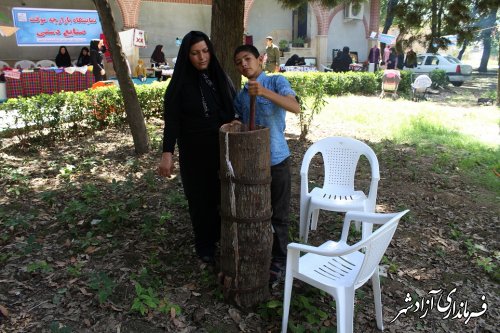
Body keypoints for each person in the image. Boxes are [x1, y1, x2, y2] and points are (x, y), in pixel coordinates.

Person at [157, 31, 236, 264]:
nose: (202, 57)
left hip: (222, 147)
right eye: (195, 53)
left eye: (205, 51)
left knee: (220, 193)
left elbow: (231, 108)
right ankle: (205, 244)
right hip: (194, 150)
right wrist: (167, 154)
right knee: (199, 197)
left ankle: (223, 235)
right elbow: (173, 122)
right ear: (186, 55)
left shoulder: (217, 77)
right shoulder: (179, 84)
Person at [232, 44, 300, 283]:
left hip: (277, 159)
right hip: (251, 166)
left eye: (248, 59)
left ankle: (279, 261)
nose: (244, 64)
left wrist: (263, 92)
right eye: (239, 62)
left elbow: (295, 107)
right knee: (254, 213)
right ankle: (257, 254)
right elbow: (239, 125)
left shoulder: (276, 82)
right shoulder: (240, 96)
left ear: (259, 59)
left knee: (279, 215)